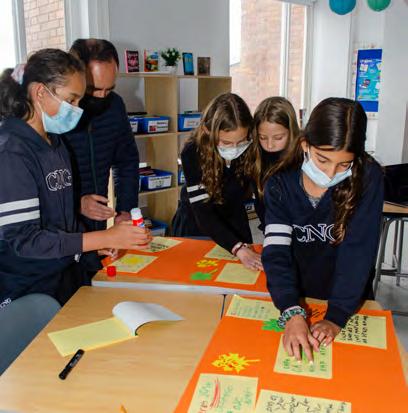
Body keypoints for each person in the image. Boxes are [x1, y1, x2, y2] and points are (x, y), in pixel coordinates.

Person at [0, 48, 151, 308]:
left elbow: (64, 219)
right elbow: (24, 240)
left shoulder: (55, 143)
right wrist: (102, 238)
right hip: (27, 285)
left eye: (79, 101)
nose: (77, 110)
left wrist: (89, 247)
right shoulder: (11, 152)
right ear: (40, 92)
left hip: (64, 274)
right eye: (71, 100)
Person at [261, 97, 383, 362]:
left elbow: (358, 252)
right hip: (297, 292)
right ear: (305, 145)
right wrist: (291, 310)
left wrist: (337, 316)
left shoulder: (368, 177)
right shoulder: (279, 184)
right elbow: (277, 252)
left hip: (349, 297)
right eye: (322, 160)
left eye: (344, 165)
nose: (330, 174)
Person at [172, 93, 262, 271]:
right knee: (196, 276)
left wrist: (273, 237)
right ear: (208, 131)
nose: (235, 148)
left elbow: (261, 199)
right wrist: (237, 248)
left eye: (241, 142)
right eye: (226, 142)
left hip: (235, 222)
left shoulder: (251, 148)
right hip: (198, 226)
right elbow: (203, 212)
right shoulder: (192, 153)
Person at [66, 38, 140, 231]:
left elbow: (127, 161)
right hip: (60, 227)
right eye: (94, 89)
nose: (101, 96)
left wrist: (126, 209)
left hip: (96, 223)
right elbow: (39, 181)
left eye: (109, 89)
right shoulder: (59, 112)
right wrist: (77, 202)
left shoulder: (115, 105)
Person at [249, 97, 300, 230]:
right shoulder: (255, 156)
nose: (270, 145)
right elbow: (260, 204)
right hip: (270, 227)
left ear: (291, 131)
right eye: (263, 137)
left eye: (278, 138)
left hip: (300, 231)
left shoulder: (302, 158)